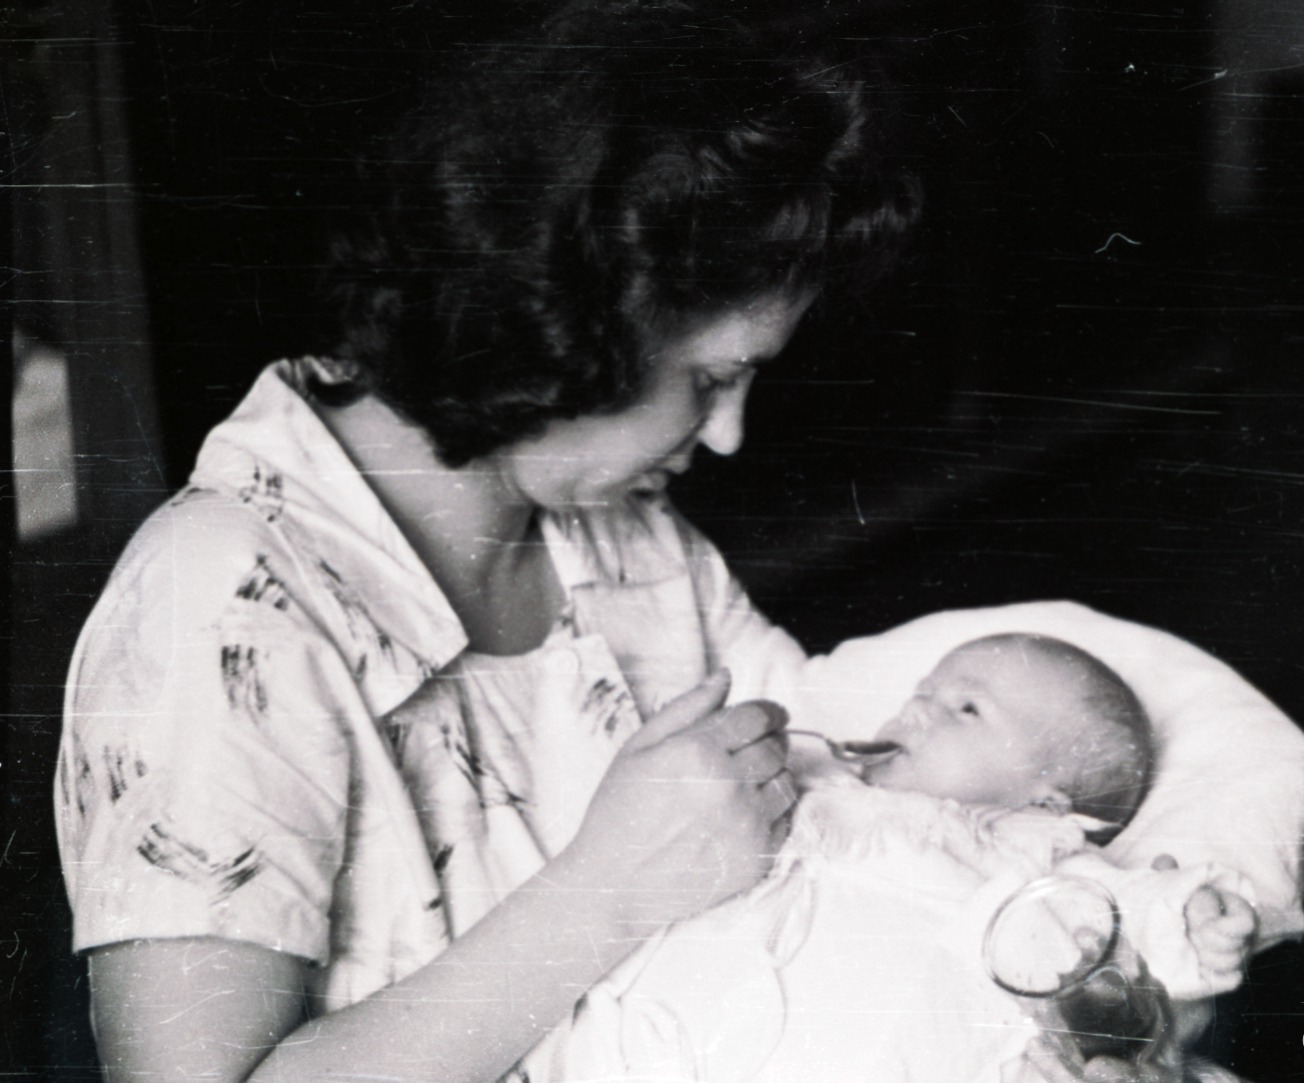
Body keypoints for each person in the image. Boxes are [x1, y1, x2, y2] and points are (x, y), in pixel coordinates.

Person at [53, 3, 920, 1081]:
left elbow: (844, 786)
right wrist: (603, 894)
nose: (732, 435)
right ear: (567, 317)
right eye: (710, 378)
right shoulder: (219, 604)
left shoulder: (625, 539)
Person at [528, 633, 1259, 1083]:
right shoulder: (816, 782)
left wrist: (1192, 918)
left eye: (965, 709)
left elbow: (1123, 923)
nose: (916, 710)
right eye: (922, 692)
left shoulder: (1029, 857)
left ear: (1044, 800)